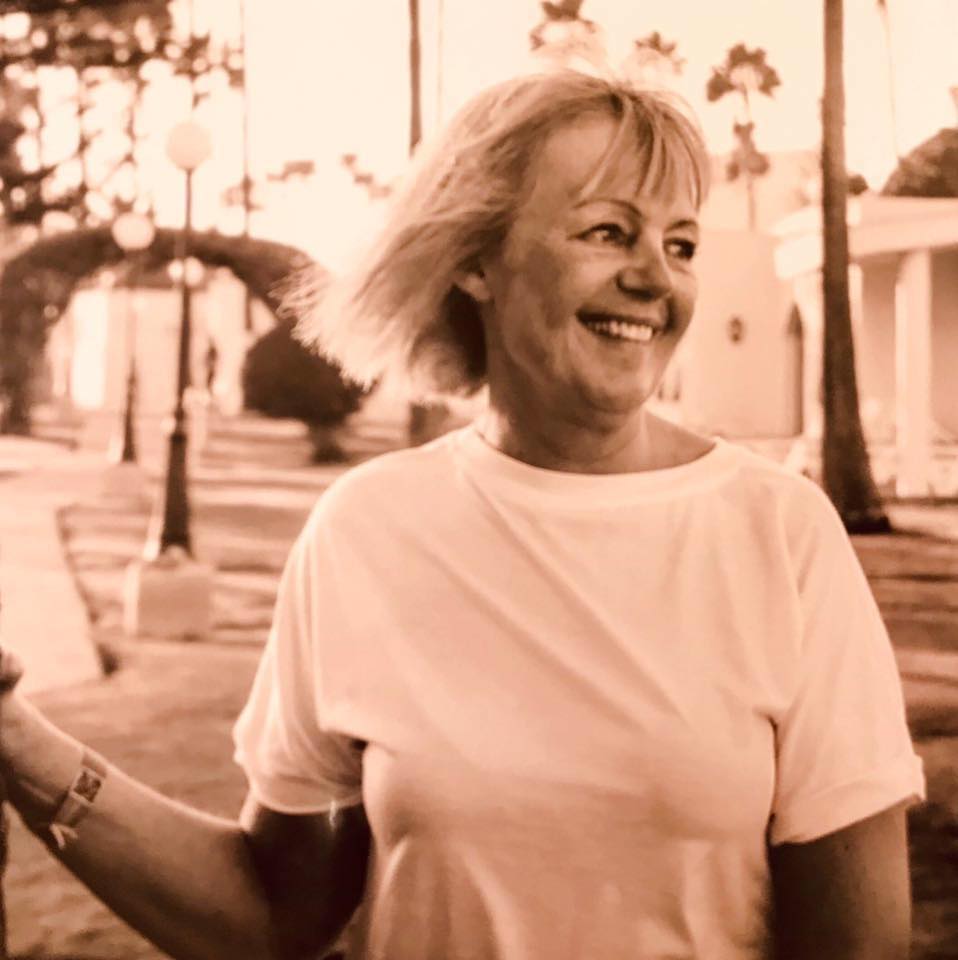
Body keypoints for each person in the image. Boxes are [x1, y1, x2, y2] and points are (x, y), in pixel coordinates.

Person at [0, 70, 925, 960]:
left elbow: (857, 944)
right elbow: (271, 917)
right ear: (476, 259)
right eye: (609, 232)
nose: (657, 278)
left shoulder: (780, 533)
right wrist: (16, 738)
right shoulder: (367, 530)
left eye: (681, 245)